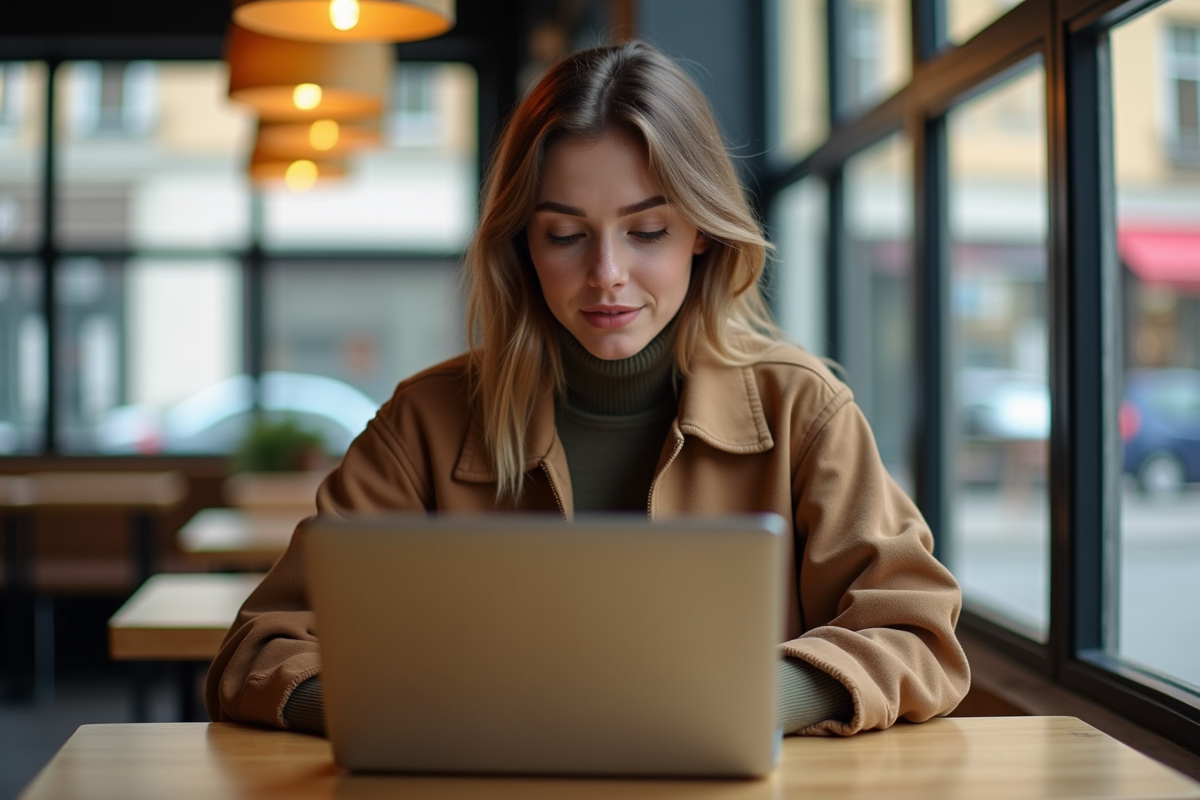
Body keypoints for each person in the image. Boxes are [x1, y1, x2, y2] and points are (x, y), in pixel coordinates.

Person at [205, 40, 969, 737]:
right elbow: (260, 649)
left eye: (647, 231)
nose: (607, 274)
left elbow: (916, 634)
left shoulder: (803, 410)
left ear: (703, 230)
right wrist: (414, 711)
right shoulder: (425, 422)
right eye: (565, 235)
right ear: (522, 242)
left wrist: (749, 700)